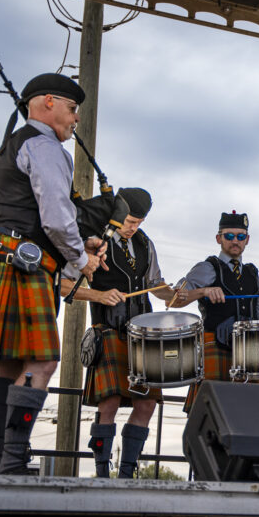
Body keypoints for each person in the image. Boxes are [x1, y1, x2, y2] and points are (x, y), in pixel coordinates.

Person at [0, 73, 104, 474]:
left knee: (6, 365)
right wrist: (81, 259)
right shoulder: (44, 146)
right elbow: (56, 217)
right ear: (48, 102)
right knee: (42, 362)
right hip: (18, 261)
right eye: (73, 109)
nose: (76, 119)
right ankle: (13, 459)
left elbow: (37, 214)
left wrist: (80, 244)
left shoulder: (13, 144)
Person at [69, 188, 177, 478]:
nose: (133, 228)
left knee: (147, 403)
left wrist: (176, 294)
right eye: (130, 221)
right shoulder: (92, 240)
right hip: (109, 330)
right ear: (118, 214)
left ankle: (128, 473)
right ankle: (102, 472)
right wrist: (99, 295)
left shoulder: (145, 243)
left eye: (139, 222)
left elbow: (155, 284)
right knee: (110, 401)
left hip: (144, 336)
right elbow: (64, 286)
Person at [169, 211, 259, 412]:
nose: (235, 241)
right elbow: (174, 300)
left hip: (249, 354)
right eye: (229, 236)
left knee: (245, 415)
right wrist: (203, 291)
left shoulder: (253, 275)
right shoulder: (207, 268)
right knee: (207, 412)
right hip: (215, 346)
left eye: (240, 236)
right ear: (219, 238)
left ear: (247, 240)